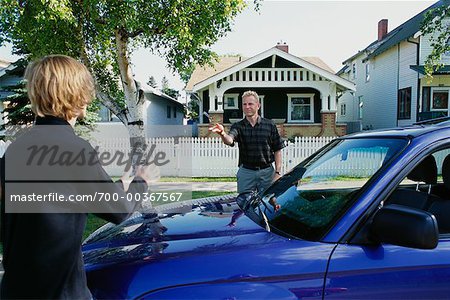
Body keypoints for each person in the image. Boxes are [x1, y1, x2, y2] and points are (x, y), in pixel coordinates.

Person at [0, 55, 152, 299]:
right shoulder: (73, 148)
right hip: (60, 291)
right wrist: (141, 182)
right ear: (75, 95)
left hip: (15, 289)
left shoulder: (17, 148)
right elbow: (118, 209)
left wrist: (120, 184)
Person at [209, 90, 285, 195]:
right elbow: (229, 140)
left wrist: (277, 172)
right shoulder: (238, 126)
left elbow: (277, 150)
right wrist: (222, 133)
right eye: (244, 104)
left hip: (267, 173)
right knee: (244, 204)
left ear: (258, 105)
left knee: (269, 203)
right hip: (246, 173)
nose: (247, 107)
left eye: (250, 104)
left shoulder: (270, 125)